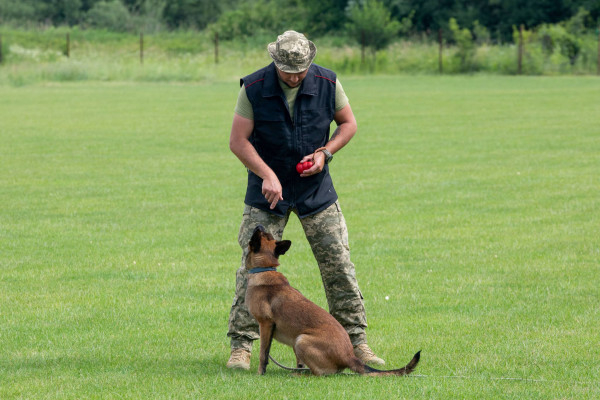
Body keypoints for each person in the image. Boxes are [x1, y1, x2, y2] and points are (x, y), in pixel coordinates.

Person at [226, 30, 384, 370]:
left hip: (315, 189)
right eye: (287, 70)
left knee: (339, 264)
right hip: (267, 192)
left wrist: (326, 153)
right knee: (250, 270)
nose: (295, 76)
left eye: (300, 70)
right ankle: (241, 347)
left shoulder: (328, 82)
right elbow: (238, 141)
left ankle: (357, 343)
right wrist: (267, 174)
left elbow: (348, 124)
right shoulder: (253, 88)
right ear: (275, 62)